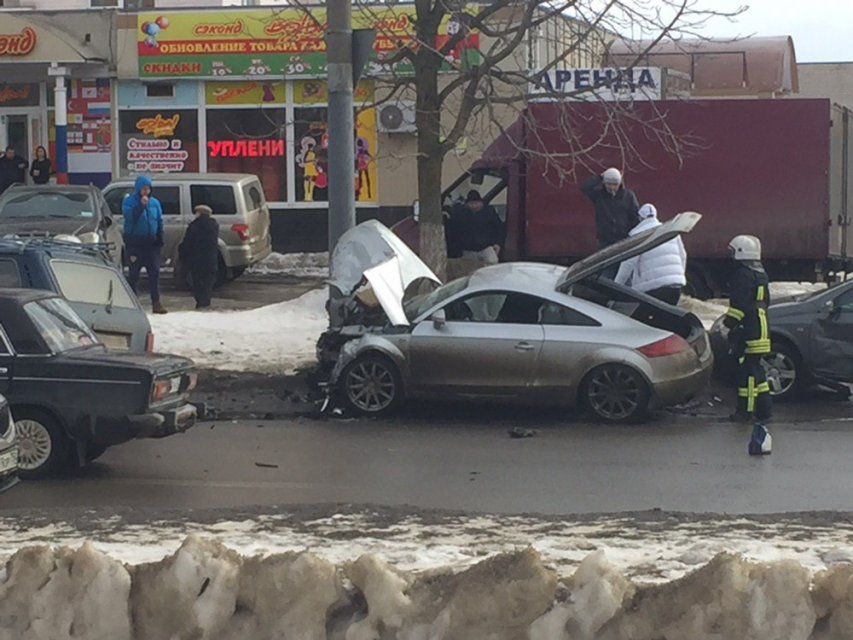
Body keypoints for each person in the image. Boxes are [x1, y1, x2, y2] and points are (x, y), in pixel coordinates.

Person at [724, 235, 773, 453]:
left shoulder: (742, 275)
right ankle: (765, 410)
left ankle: (745, 412)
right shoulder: (760, 273)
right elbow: (765, 301)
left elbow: (739, 305)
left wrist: (728, 324)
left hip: (749, 329)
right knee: (757, 369)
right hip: (761, 326)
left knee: (747, 373)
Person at [614, 204, 686, 304]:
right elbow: (683, 256)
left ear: (640, 218)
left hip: (652, 288)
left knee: (644, 314)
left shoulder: (639, 235)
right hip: (675, 286)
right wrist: (678, 276)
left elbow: (628, 264)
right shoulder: (670, 231)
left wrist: (616, 286)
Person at [581, 168, 640, 279]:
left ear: (620, 183)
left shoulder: (628, 196)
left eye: (615, 184)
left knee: (621, 269)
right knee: (605, 268)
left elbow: (635, 217)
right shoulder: (599, 196)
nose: (612, 187)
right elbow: (585, 188)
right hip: (605, 240)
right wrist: (600, 177)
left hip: (623, 239)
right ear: (604, 183)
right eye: (609, 184)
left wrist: (633, 236)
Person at [123, 175, 168, 314]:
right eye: (143, 188)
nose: (146, 191)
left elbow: (159, 220)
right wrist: (141, 206)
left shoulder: (155, 203)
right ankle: (133, 304)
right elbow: (130, 217)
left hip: (151, 244)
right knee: (134, 275)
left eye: (148, 188)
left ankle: (156, 303)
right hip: (135, 243)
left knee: (154, 274)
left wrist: (160, 237)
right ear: (138, 189)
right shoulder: (129, 202)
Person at [447, 190, 505, 266]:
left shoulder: (489, 212)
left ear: (481, 203)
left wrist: (498, 244)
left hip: (486, 248)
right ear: (467, 204)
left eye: (476, 203)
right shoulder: (460, 214)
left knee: (492, 262)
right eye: (471, 203)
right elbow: (454, 233)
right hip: (468, 250)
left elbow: (499, 229)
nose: (474, 206)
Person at [179, 204, 220, 309]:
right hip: (211, 259)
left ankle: (201, 302)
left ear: (200, 214)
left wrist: (182, 253)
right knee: (208, 282)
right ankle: (206, 301)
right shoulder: (214, 226)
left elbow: (188, 243)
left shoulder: (194, 226)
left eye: (197, 212)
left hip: (197, 260)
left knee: (197, 282)